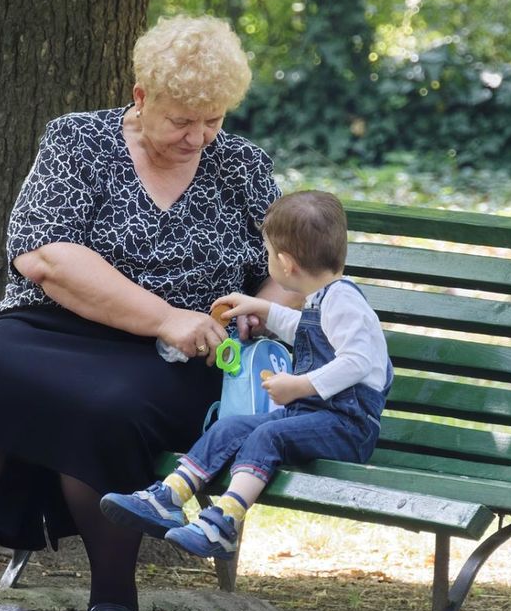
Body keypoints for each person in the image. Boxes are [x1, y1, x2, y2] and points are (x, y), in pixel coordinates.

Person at [0, 15, 287, 611]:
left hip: (177, 358)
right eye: (181, 120)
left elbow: (283, 265)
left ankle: (113, 598)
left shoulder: (242, 166)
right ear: (142, 98)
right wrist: (163, 316)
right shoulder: (78, 142)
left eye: (213, 120)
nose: (198, 136)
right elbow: (44, 256)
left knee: (110, 405)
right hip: (53, 325)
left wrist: (261, 307)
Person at [100, 190, 393, 558]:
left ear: (285, 264)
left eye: (268, 254)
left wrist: (299, 386)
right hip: (316, 418)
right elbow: (304, 329)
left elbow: (358, 362)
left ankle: (224, 523)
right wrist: (262, 308)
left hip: (348, 427)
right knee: (229, 427)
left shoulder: (344, 301)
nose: (267, 259)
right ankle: (168, 496)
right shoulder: (325, 297)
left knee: (270, 434)